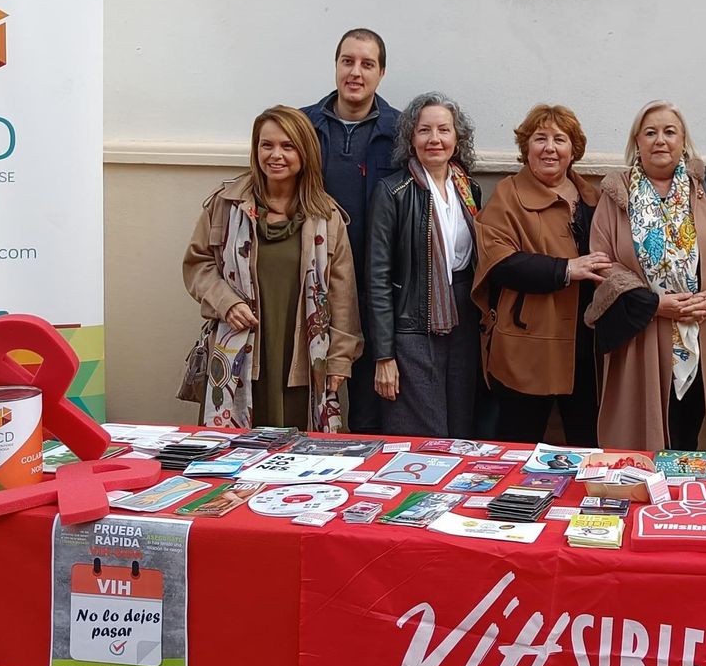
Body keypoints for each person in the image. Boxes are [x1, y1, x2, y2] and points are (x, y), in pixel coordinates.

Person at [585, 100, 706, 451]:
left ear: (683, 140)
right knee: (642, 437)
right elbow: (603, 262)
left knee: (686, 435)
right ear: (637, 141)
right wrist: (654, 304)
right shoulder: (616, 191)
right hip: (642, 333)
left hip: (703, 327)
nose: (660, 140)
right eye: (650, 132)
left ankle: (678, 504)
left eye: (670, 132)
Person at [183, 105, 362, 430]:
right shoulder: (226, 205)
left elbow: (343, 296)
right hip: (239, 359)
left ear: (304, 151)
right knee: (234, 458)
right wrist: (227, 302)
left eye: (287, 146)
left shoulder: (327, 217)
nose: (275, 155)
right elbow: (198, 265)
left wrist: (339, 359)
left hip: (304, 364)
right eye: (267, 145)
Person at [472, 104, 611, 446]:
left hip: (587, 346)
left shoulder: (594, 198)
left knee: (587, 449)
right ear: (526, 148)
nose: (550, 147)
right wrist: (565, 269)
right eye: (540, 138)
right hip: (528, 345)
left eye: (560, 139)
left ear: (573, 150)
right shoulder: (508, 195)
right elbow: (499, 261)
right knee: (518, 447)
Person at [366, 92, 483, 437]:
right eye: (424, 130)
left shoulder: (469, 189)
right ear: (410, 138)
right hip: (412, 328)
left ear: (457, 138)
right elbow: (377, 278)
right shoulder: (392, 191)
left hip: (463, 321)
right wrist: (384, 356)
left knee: (460, 432)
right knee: (421, 437)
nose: (435, 139)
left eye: (444, 130)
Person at [302, 28, 400, 433]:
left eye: (367, 64)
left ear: (381, 73)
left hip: (376, 284)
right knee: (308, 390)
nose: (355, 72)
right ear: (336, 65)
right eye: (348, 61)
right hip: (312, 281)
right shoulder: (303, 125)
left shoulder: (400, 132)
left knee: (368, 407)